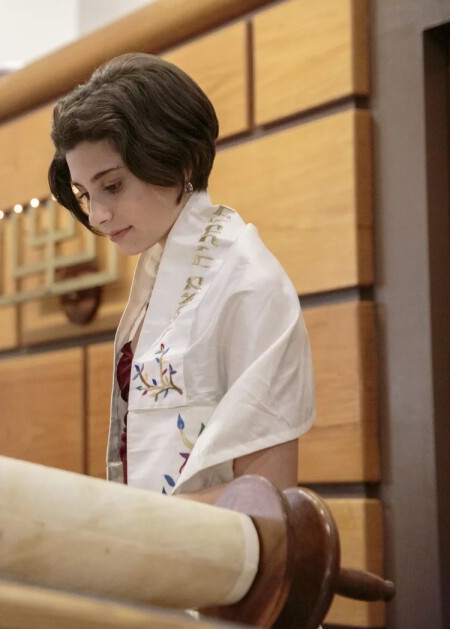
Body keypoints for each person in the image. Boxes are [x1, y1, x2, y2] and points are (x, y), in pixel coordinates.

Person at [48, 53, 315, 503]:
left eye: (112, 186)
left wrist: (127, 521)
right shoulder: (156, 273)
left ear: (181, 164)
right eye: (85, 194)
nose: (97, 214)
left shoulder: (249, 284)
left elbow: (268, 500)